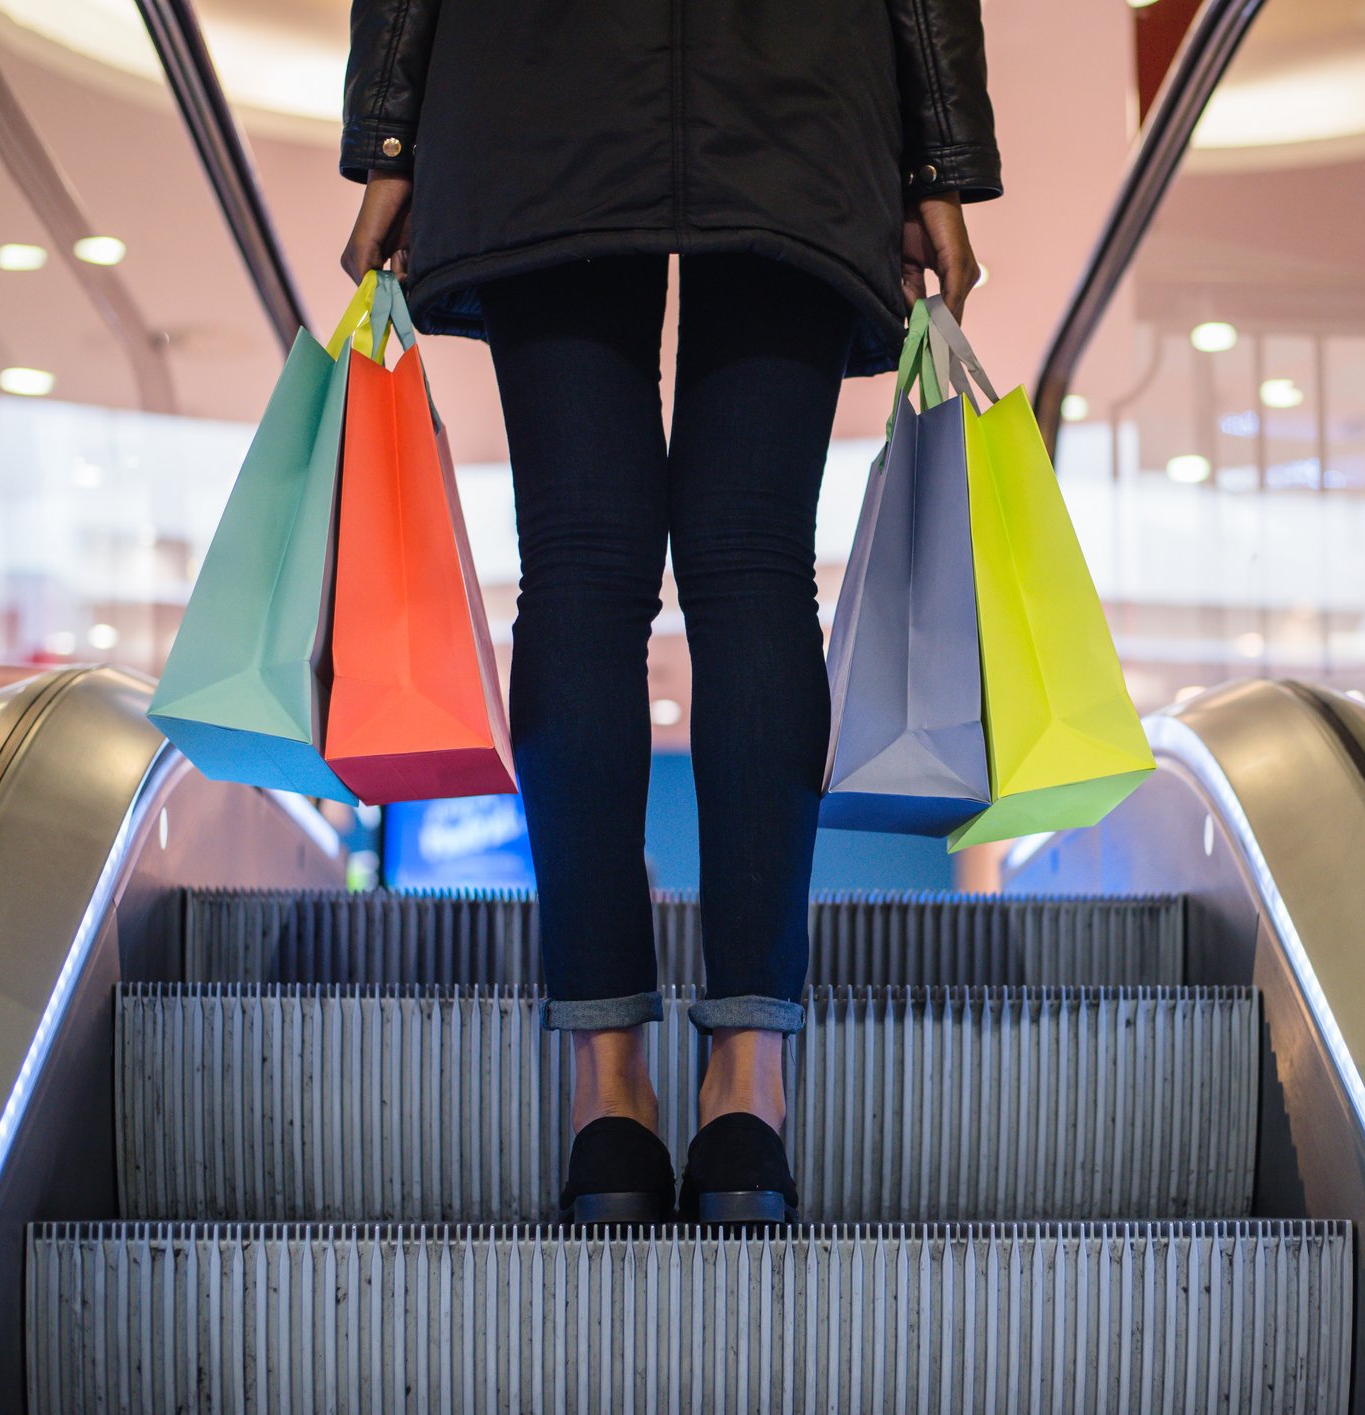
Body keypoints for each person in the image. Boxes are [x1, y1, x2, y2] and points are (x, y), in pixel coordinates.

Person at [337, 0, 1000, 1224]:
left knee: (580, 574)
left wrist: (389, 135)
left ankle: (609, 1105)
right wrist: (937, 163)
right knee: (754, 569)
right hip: (800, 86)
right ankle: (746, 1098)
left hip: (537, 82)